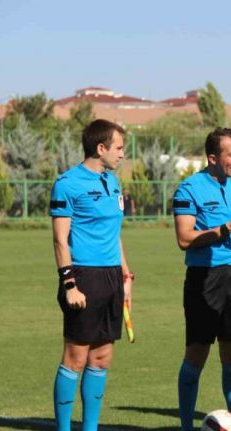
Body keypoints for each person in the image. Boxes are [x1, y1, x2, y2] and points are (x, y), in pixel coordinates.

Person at [50, 119, 134, 431]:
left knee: (101, 359)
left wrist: (126, 279)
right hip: (83, 277)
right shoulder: (67, 183)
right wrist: (69, 284)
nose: (122, 154)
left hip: (112, 277)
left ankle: (90, 428)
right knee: (75, 358)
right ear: (101, 148)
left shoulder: (113, 183)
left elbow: (115, 235)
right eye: (119, 148)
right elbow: (60, 240)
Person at [172, 127, 231, 431]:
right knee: (197, 353)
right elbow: (184, 237)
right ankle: (185, 426)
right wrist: (224, 229)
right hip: (204, 279)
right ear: (212, 157)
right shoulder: (189, 188)